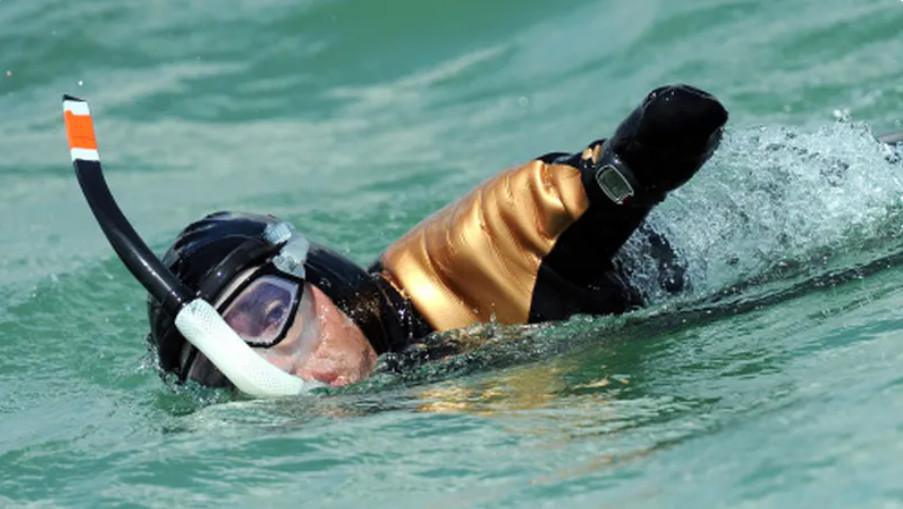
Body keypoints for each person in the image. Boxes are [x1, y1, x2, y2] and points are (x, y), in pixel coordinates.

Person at [146, 84, 728, 388]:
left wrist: (632, 166)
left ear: (314, 274)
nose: (290, 367)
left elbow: (673, 124)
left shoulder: (471, 259)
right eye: (227, 368)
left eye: (268, 314)